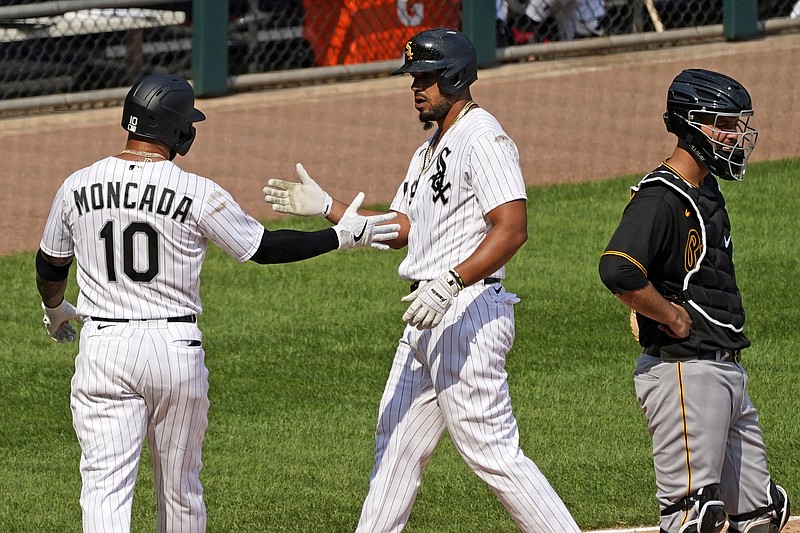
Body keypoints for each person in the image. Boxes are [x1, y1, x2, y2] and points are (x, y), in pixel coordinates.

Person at [35, 73, 399, 533]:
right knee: (180, 489)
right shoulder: (197, 192)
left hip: (104, 346)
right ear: (177, 132)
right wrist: (340, 236)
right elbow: (263, 247)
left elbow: (50, 264)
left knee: (104, 489)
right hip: (174, 348)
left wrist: (55, 310)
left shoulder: (77, 186)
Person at [263, 28, 582, 533]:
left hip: (466, 310)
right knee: (395, 448)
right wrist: (331, 210)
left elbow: (512, 226)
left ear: (454, 77)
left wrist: (451, 283)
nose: (415, 87)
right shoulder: (428, 150)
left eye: (425, 78)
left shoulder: (484, 138)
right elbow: (403, 228)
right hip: (426, 315)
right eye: (413, 77)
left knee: (492, 453)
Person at [598, 68, 790, 533]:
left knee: (759, 518)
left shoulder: (705, 191)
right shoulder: (660, 198)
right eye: (724, 125)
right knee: (692, 518)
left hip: (726, 369)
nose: (734, 137)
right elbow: (617, 269)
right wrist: (668, 316)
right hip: (684, 371)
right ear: (692, 124)